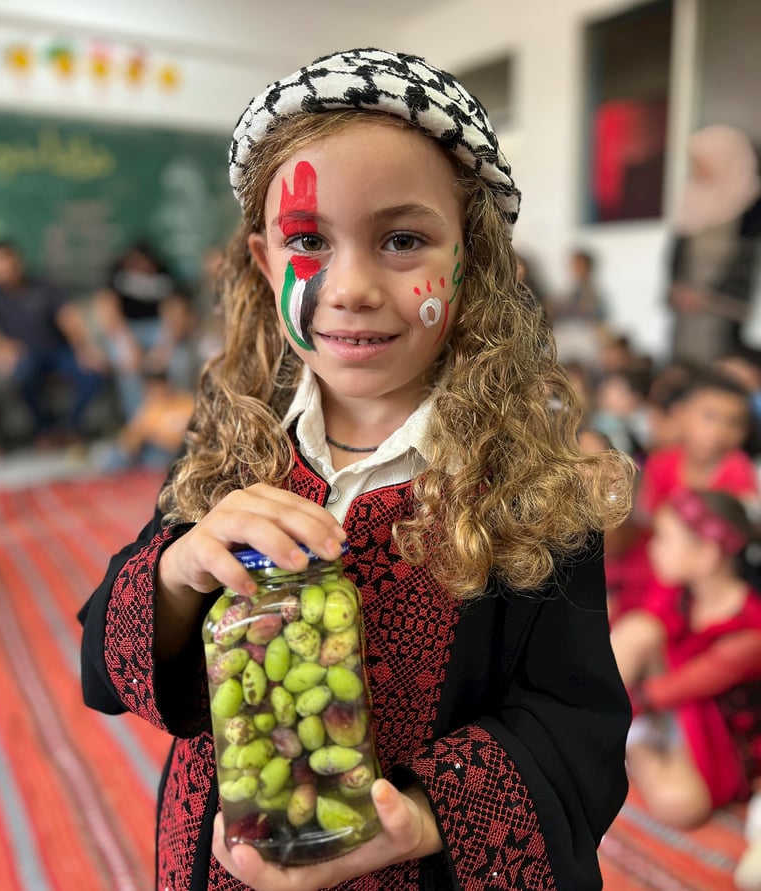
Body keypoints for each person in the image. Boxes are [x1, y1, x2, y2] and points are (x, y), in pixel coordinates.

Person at [78, 48, 635, 891]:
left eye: (402, 240)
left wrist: (421, 818)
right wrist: (180, 570)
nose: (352, 288)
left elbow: (575, 729)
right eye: (309, 241)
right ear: (265, 260)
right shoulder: (232, 446)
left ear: (472, 259)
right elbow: (106, 660)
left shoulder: (535, 492)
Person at [610, 489, 761, 828]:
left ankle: (629, 742)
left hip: (712, 736)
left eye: (664, 539)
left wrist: (615, 711)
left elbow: (671, 691)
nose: (653, 548)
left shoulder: (750, 631)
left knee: (680, 806)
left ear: (706, 554)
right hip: (663, 705)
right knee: (638, 630)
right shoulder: (678, 590)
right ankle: (608, 731)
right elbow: (639, 632)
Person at [605, 368, 760, 620]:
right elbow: (645, 525)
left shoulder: (738, 470)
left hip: (700, 584)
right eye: (709, 417)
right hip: (656, 568)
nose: (719, 431)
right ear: (682, 415)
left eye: (733, 423)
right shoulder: (661, 463)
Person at [0, 239, 107, 446]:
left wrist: (84, 349)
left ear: (16, 261)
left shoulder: (44, 286)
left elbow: (68, 317)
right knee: (23, 375)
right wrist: (2, 346)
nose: (0, 268)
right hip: (25, 354)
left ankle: (70, 427)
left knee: (92, 373)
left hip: (59, 350)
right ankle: (44, 430)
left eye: (4, 260)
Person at [667, 125, 761, 366]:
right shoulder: (691, 199)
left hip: (726, 313)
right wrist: (677, 288)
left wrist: (710, 296)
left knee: (722, 369)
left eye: (702, 161)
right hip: (687, 311)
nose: (696, 168)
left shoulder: (751, 206)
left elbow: (749, 263)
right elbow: (678, 253)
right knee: (685, 366)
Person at [93, 241, 193, 420]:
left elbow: (176, 312)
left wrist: (164, 348)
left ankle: (178, 415)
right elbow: (108, 311)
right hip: (127, 329)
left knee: (178, 360)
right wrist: (128, 346)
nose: (140, 266)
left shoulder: (164, 273)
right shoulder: (117, 273)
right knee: (126, 363)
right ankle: (137, 419)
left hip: (158, 328)